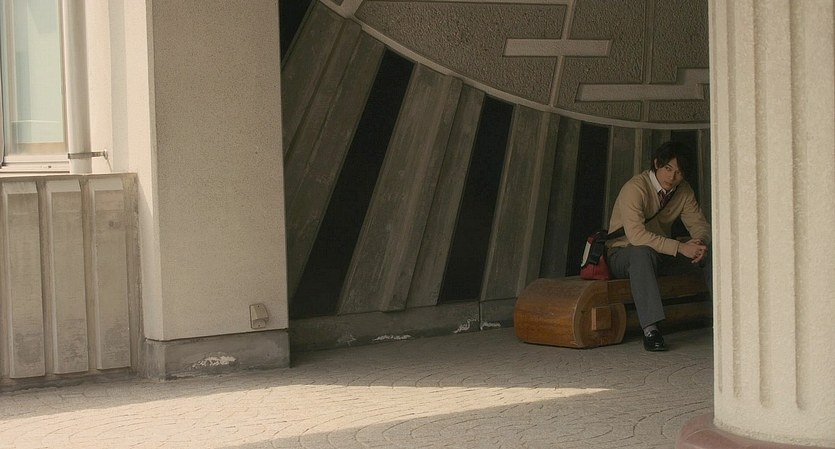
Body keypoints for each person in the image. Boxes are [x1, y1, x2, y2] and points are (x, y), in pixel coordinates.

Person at [606, 141, 711, 351]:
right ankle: (651, 330)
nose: (672, 177)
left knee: (712, 252)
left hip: (661, 252)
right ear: (656, 164)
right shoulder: (635, 188)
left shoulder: (683, 190)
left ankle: (727, 319)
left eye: (678, 172)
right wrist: (681, 247)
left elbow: (699, 224)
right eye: (668, 168)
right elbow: (636, 236)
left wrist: (699, 242)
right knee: (641, 253)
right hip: (624, 253)